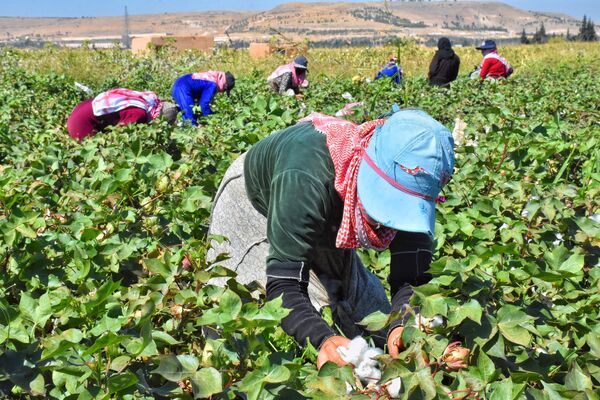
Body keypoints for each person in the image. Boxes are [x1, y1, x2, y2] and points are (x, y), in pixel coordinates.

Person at [208, 108, 455, 368]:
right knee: (235, 324)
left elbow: (412, 279)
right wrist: (323, 340)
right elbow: (284, 286)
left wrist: (402, 325)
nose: (391, 219)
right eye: (391, 200)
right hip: (256, 203)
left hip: (321, 199)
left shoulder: (415, 181)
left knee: (365, 316)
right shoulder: (306, 177)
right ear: (368, 164)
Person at [67, 88, 178, 141]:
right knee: (96, 151)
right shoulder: (140, 114)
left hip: (76, 115)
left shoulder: (141, 101)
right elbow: (123, 136)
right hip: (80, 126)